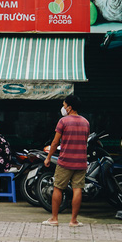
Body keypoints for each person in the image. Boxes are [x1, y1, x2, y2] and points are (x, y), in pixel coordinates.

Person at [42, 94, 89, 227]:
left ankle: (54, 219)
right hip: (81, 162)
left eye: (64, 105)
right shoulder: (86, 122)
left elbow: (56, 142)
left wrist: (49, 157)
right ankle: (73, 220)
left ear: (69, 107)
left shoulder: (63, 121)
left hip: (65, 161)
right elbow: (84, 142)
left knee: (58, 188)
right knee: (77, 189)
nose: (63, 108)